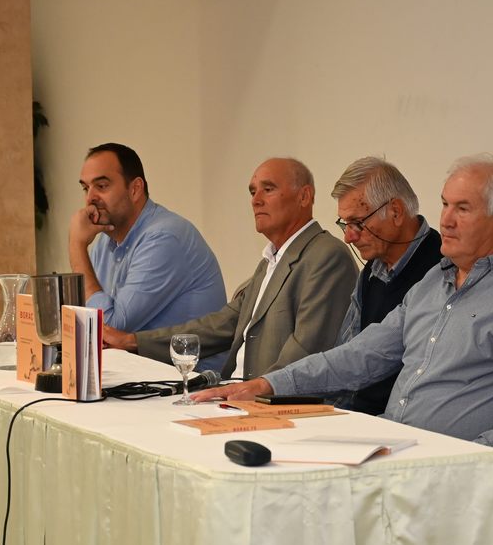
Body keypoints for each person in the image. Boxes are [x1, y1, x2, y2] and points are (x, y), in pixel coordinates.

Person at [194, 154, 493, 486]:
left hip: (459, 477)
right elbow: (361, 355)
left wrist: (467, 459)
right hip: (395, 455)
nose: (445, 220)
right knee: (277, 479)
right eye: (445, 204)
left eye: (462, 209)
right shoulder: (433, 283)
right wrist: (268, 384)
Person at [103, 157, 358, 380]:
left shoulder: (327, 256)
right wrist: (132, 341)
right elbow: (219, 326)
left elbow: (306, 352)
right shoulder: (269, 261)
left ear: (304, 196)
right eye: (252, 192)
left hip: (274, 404)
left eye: (268, 189)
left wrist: (249, 393)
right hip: (236, 394)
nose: (256, 200)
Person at [0, 143, 227, 365]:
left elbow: (111, 329)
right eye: (86, 188)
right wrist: (21, 329)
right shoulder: (107, 238)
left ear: (135, 189)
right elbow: (82, 312)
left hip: (188, 383)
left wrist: (76, 246)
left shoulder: (164, 238)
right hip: (138, 376)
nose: (90, 199)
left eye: (102, 186)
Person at [327, 156, 443, 414]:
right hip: (358, 419)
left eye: (358, 223)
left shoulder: (443, 269)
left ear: (396, 212)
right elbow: (346, 357)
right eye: (345, 224)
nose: (348, 237)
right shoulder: (371, 271)